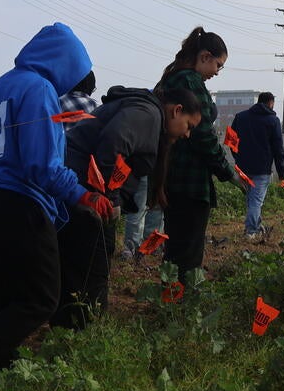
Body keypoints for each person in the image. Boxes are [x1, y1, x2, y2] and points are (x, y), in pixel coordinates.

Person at [0, 23, 113, 391]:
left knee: (1, 302)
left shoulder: (4, 84)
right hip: (18, 208)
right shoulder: (40, 89)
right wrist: (82, 195)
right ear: (64, 63)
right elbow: (41, 167)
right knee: (40, 298)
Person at [52, 86, 202, 328]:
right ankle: (82, 332)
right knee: (93, 264)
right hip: (84, 191)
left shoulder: (147, 112)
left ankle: (69, 328)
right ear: (177, 111)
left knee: (82, 263)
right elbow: (113, 143)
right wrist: (109, 197)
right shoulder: (148, 114)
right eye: (189, 126)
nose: (187, 134)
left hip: (79, 187)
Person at [155, 27, 247, 280]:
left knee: (176, 248)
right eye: (218, 64)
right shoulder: (190, 81)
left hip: (172, 175)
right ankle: (182, 303)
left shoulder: (172, 78)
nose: (217, 72)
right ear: (204, 56)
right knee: (188, 250)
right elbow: (203, 135)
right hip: (189, 179)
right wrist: (229, 173)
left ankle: (171, 298)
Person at [230, 92, 284, 241]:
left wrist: (238, 158)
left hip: (242, 167)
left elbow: (231, 140)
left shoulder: (240, 117)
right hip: (262, 169)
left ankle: (256, 225)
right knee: (256, 201)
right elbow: (278, 148)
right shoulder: (272, 120)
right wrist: (282, 173)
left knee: (251, 199)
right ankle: (251, 231)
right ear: (270, 103)